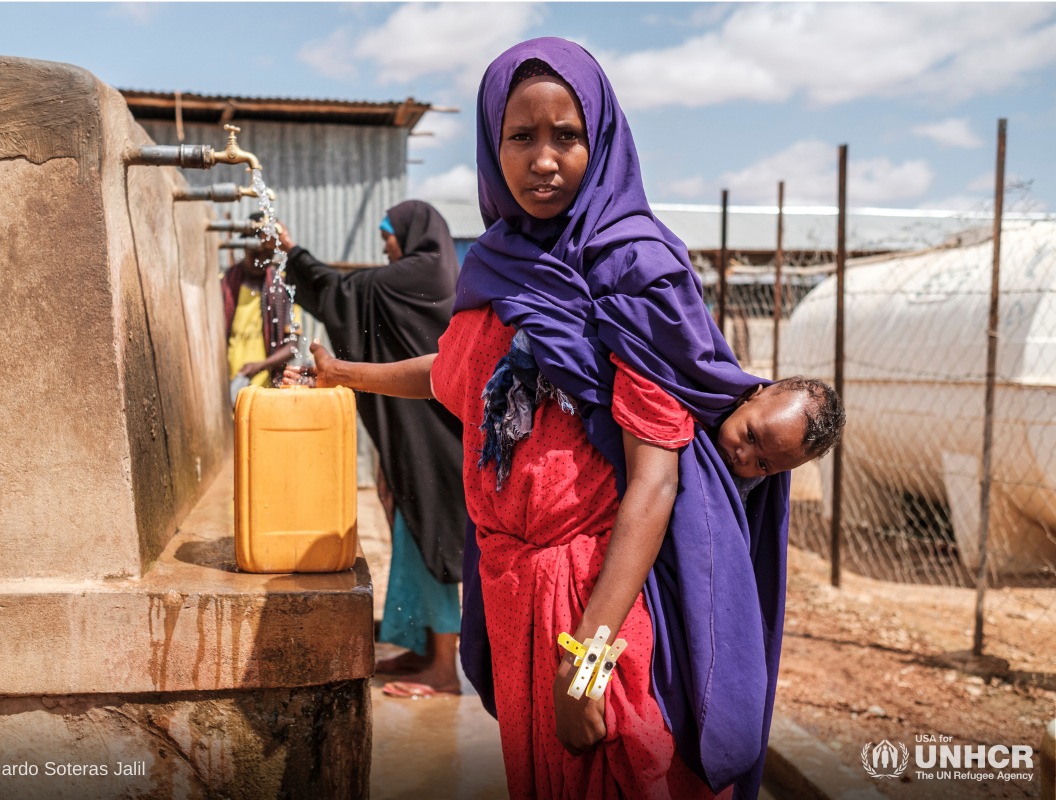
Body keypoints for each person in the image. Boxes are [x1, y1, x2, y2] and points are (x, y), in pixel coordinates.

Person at [287, 38, 845, 800]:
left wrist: (586, 662)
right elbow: (455, 375)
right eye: (521, 137)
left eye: (567, 136)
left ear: (602, 140)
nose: (543, 160)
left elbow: (654, 482)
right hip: (512, 589)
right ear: (493, 143)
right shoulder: (496, 267)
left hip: (595, 601)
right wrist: (345, 373)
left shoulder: (638, 271)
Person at [278, 201, 467, 697]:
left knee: (436, 539)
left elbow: (341, 292)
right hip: (422, 430)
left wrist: (291, 252)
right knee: (412, 533)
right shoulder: (435, 274)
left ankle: (445, 669)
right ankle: (424, 650)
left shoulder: (415, 275)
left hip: (436, 437)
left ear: (412, 233)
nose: (384, 245)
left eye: (388, 234)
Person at [221, 217, 299, 403]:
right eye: (256, 253)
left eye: (268, 254)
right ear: (245, 247)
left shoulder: (284, 290)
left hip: (268, 396)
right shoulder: (224, 287)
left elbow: (293, 347)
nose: (261, 260)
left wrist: (260, 366)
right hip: (228, 391)